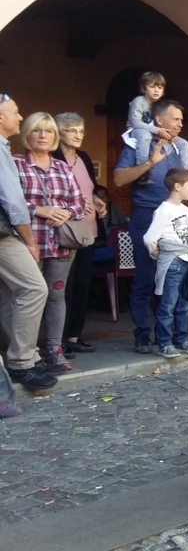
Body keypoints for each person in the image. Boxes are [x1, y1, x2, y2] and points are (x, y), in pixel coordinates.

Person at [113, 99, 188, 353]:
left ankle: (166, 335)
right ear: (159, 120)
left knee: (172, 280)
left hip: (175, 218)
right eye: (176, 119)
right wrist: (148, 164)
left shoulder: (179, 148)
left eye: (181, 120)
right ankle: (143, 334)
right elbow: (119, 179)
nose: (180, 124)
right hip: (147, 217)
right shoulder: (139, 144)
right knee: (146, 279)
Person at [14, 112, 85, 374]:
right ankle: (27, 353)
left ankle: (54, 350)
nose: (43, 136)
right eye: (37, 130)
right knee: (27, 297)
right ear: (27, 134)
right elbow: (7, 202)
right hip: (27, 242)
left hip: (60, 243)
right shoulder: (14, 163)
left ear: (55, 137)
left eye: (49, 131)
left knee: (56, 296)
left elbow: (79, 203)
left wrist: (67, 212)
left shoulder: (62, 167)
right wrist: (39, 210)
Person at [0, 94, 51, 396]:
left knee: (11, 294)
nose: (20, 117)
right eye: (15, 112)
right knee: (34, 289)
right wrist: (30, 242)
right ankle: (22, 361)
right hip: (4, 234)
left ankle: (25, 357)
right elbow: (13, 202)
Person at [53, 113, 106, 354]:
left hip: (87, 231)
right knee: (64, 287)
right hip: (65, 232)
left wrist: (97, 201)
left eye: (81, 131)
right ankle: (58, 340)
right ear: (59, 132)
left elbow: (90, 189)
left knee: (82, 284)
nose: (78, 135)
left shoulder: (83, 157)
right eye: (72, 131)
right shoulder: (52, 157)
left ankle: (74, 336)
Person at [143, 168, 188, 359]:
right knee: (168, 305)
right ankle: (165, 343)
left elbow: (185, 234)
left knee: (184, 304)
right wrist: (154, 250)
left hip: (187, 259)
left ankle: (182, 339)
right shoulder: (163, 210)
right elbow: (150, 237)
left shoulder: (185, 210)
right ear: (177, 186)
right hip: (173, 262)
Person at [124, 71, 169, 185]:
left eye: (160, 87)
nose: (156, 90)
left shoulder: (158, 105)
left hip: (152, 131)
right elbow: (135, 123)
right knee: (144, 135)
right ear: (144, 88)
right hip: (136, 131)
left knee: (181, 143)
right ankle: (142, 170)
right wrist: (157, 130)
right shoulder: (139, 101)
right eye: (152, 87)